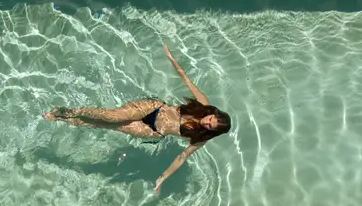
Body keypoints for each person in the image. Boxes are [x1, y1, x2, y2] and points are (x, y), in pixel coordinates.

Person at [45, 44, 232, 192]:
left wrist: (163, 177)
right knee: (110, 116)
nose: (207, 122)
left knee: (102, 125)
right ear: (213, 114)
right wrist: (171, 58)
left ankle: (62, 119)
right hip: (153, 109)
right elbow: (186, 79)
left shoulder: (201, 138)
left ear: (212, 131)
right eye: (211, 119)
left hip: (152, 131)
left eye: (211, 126)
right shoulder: (203, 104)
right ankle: (68, 111)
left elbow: (182, 157)